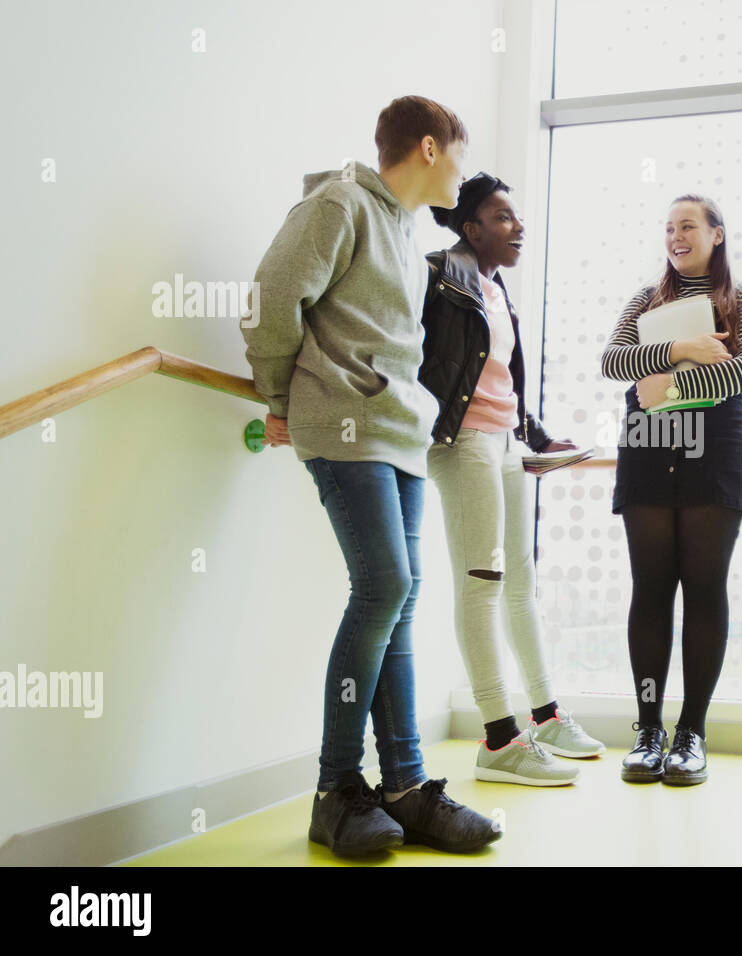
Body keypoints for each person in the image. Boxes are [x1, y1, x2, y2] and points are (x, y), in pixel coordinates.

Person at [242, 95, 500, 856]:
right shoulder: (337, 205)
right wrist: (281, 396)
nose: (465, 170)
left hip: (400, 436)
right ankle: (334, 789)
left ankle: (405, 787)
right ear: (428, 148)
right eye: (460, 152)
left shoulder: (403, 226)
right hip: (344, 429)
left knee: (400, 599)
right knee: (384, 587)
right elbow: (269, 302)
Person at [420, 172, 605, 786]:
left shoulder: (497, 292)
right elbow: (423, 365)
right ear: (471, 228)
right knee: (482, 586)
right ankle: (499, 740)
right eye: (503, 218)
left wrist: (541, 436)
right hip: (463, 444)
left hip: (504, 444)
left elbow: (499, 382)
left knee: (520, 581)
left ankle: (546, 715)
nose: (518, 227)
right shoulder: (440, 275)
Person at [601, 194, 742, 786]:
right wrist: (683, 348)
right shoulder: (643, 300)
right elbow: (614, 362)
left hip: (718, 445)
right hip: (648, 446)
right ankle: (648, 732)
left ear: (716, 234)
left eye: (688, 225)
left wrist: (666, 385)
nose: (676, 236)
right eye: (668, 227)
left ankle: (690, 733)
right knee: (650, 587)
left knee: (703, 588)